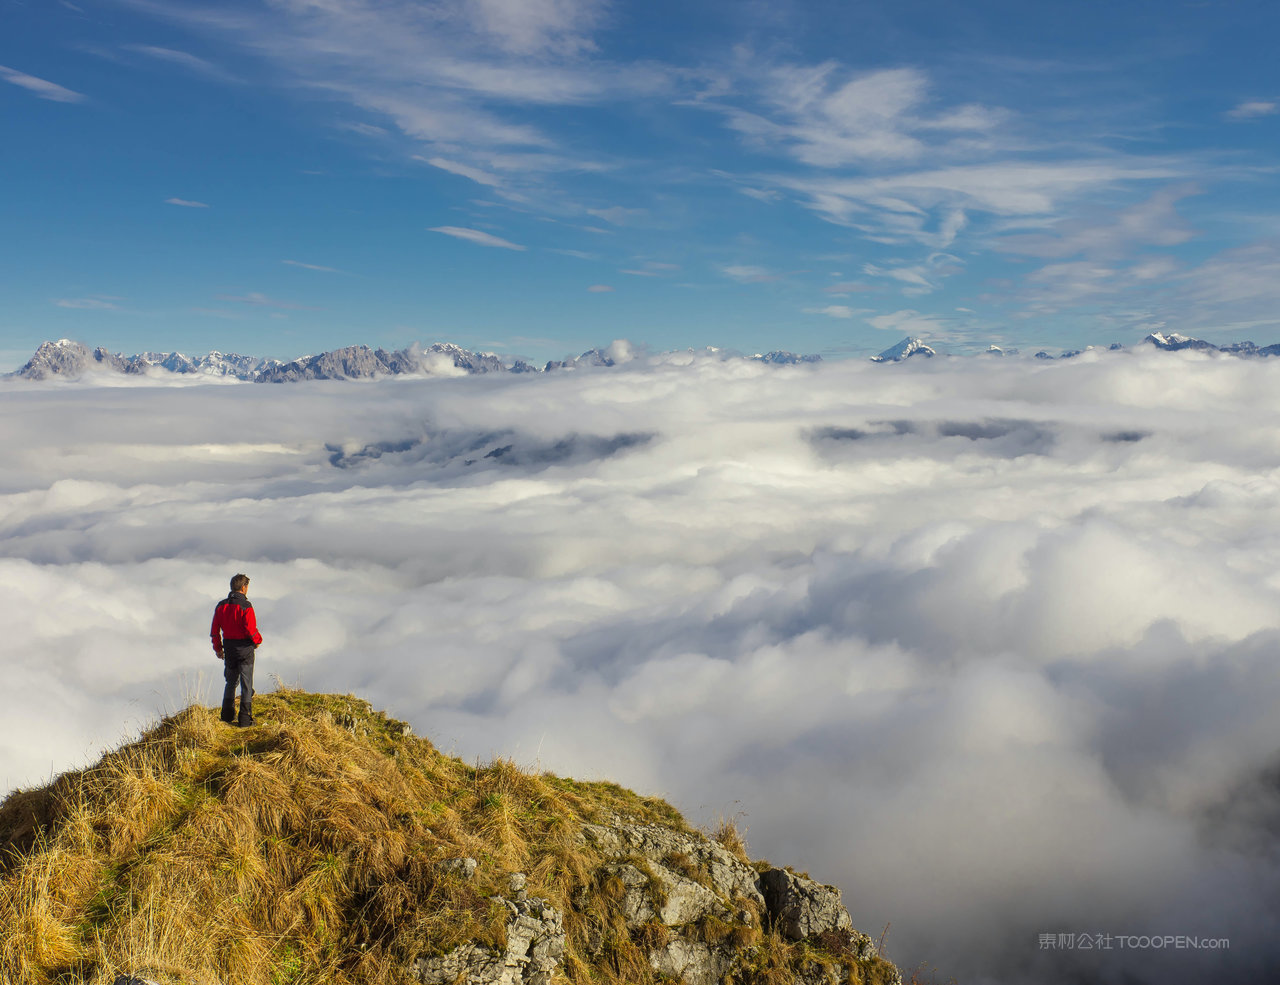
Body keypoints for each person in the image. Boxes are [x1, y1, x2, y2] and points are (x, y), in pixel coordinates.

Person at [211, 573, 263, 726]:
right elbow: (250, 628)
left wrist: (218, 649)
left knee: (231, 681)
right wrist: (258, 640)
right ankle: (245, 719)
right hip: (245, 648)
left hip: (229, 647)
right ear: (244, 588)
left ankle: (227, 715)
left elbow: (215, 630)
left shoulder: (221, 605)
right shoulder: (246, 606)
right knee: (246, 683)